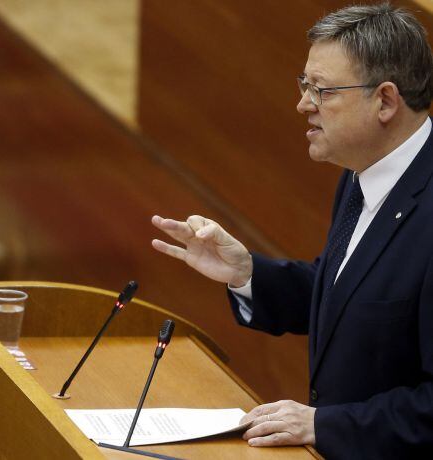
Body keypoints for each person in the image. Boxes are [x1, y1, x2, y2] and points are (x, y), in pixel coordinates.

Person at [151, 3, 433, 458]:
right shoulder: (365, 173)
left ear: (385, 100)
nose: (303, 104)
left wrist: (326, 425)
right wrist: (246, 274)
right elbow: (346, 295)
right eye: (305, 85)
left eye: (321, 90)